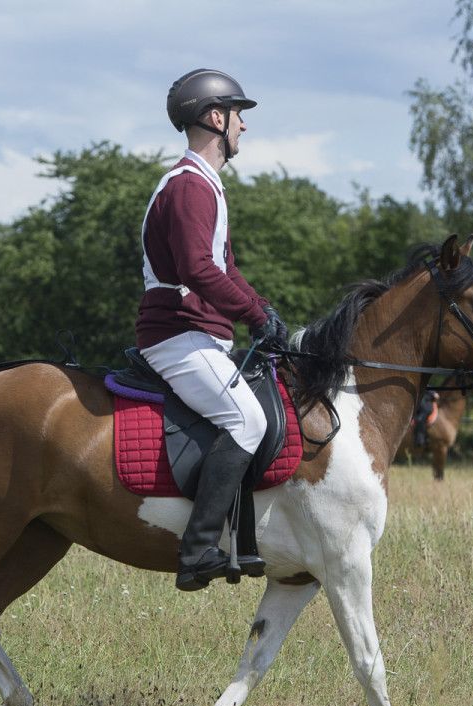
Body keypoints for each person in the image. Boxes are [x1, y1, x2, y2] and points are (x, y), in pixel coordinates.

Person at [136, 68, 289, 592]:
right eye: (239, 116)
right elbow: (199, 271)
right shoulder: (189, 187)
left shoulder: (205, 185)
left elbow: (225, 268)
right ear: (215, 118)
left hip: (199, 335)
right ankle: (198, 548)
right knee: (247, 420)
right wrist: (252, 315)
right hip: (178, 337)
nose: (244, 127)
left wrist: (263, 309)